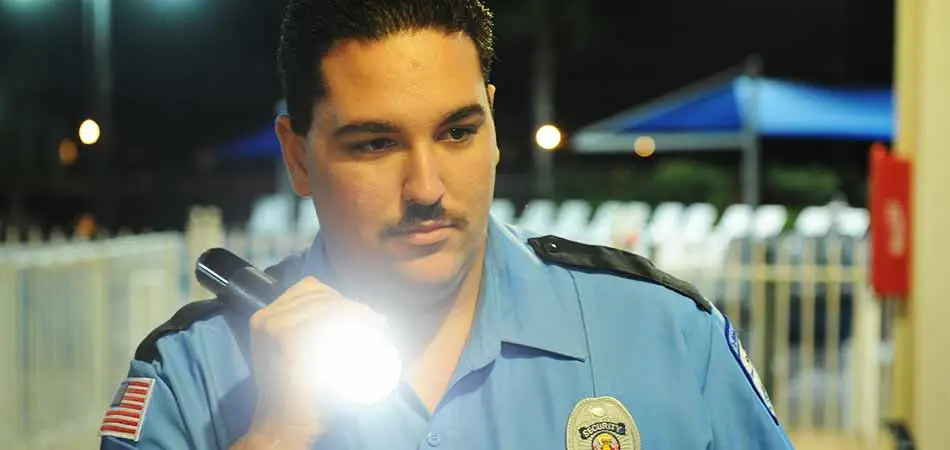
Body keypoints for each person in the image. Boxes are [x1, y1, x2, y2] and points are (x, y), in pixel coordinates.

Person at [98, 0, 794, 449]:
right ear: (297, 157)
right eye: (374, 144)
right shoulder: (192, 377)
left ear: (493, 127)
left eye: (458, 132)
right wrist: (277, 436)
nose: (426, 188)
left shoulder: (664, 336)